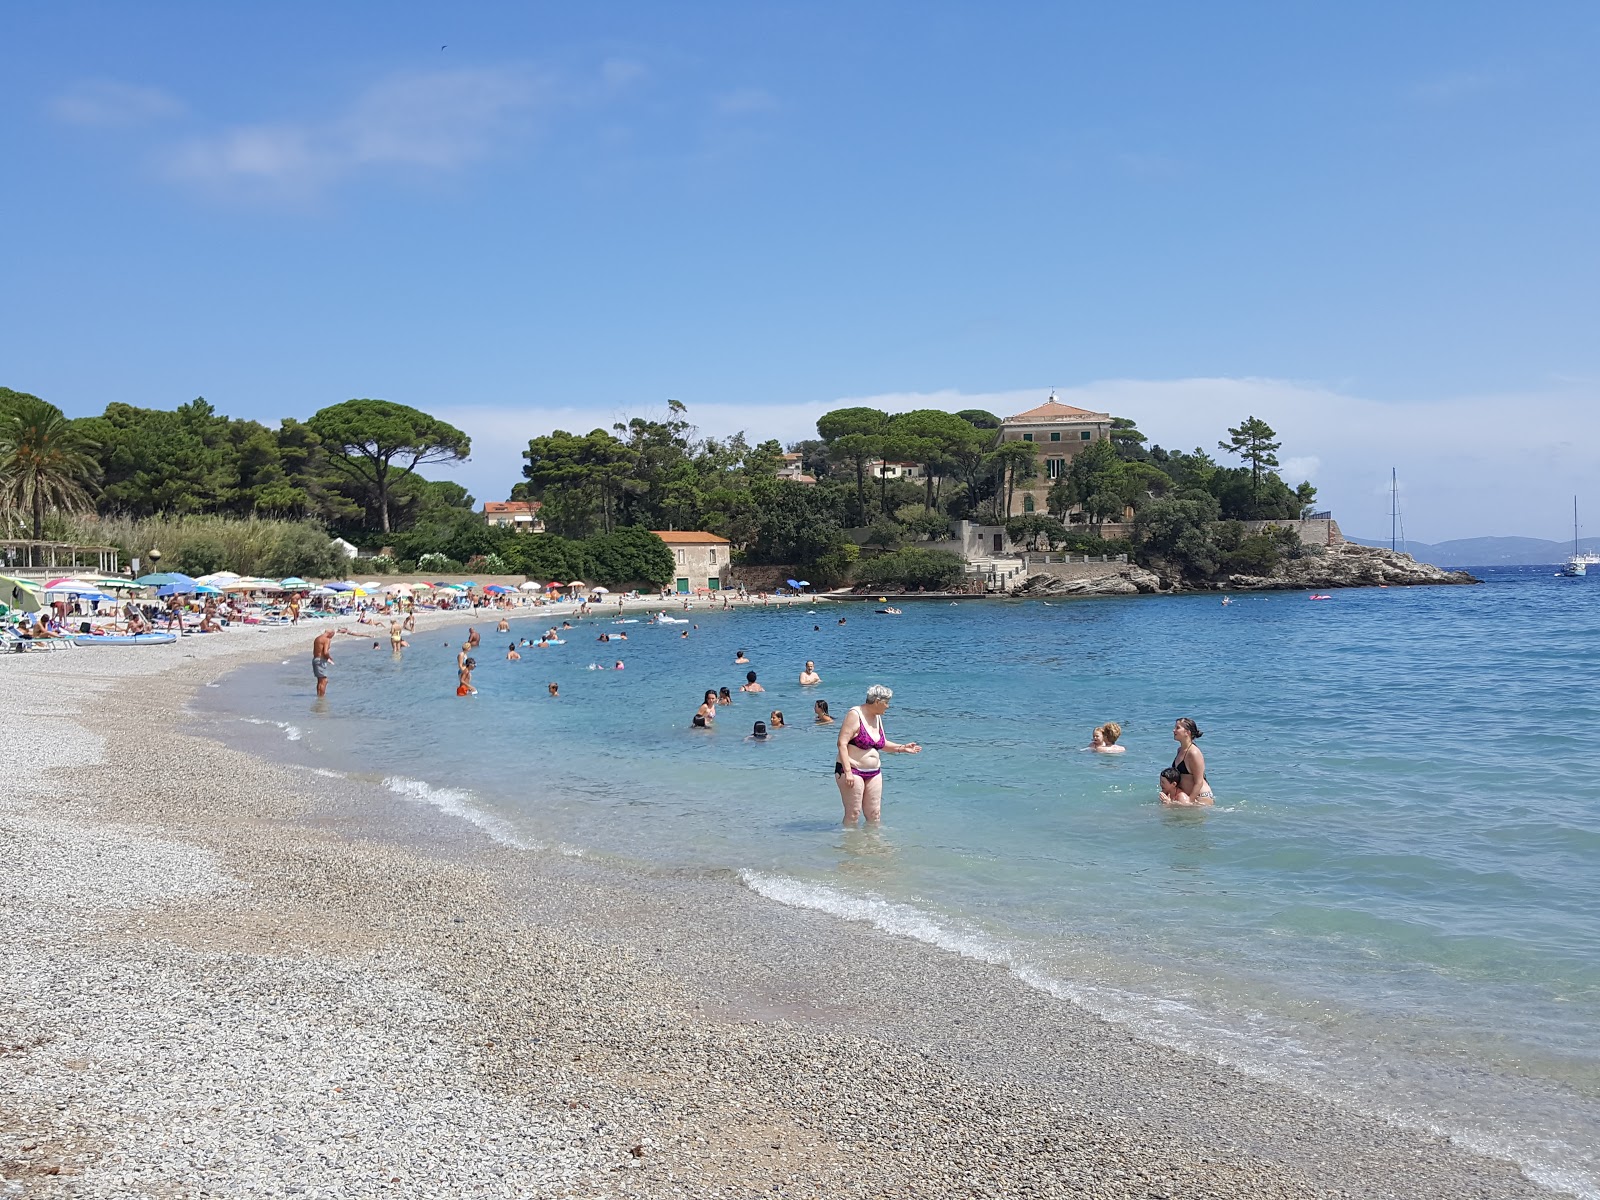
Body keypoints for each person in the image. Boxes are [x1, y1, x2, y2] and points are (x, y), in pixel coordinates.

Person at [835, 684, 921, 826]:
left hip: (874, 772)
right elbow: (842, 743)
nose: (887, 706)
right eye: (886, 703)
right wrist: (848, 772)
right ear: (877, 701)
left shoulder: (877, 717)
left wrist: (903, 748)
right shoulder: (855, 714)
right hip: (852, 770)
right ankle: (850, 846)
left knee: (874, 814)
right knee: (853, 813)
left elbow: (881, 743)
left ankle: (874, 846)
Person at [1169, 718, 1214, 803]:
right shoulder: (1180, 750)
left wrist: (1190, 801)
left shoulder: (1193, 753)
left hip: (1200, 798)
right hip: (1189, 797)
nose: (1173, 730)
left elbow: (1199, 781)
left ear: (1187, 732)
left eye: (1177, 728)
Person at [311, 629, 335, 697]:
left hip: (315, 659)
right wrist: (329, 658)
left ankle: (319, 696)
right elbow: (325, 652)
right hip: (320, 661)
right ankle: (322, 698)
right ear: (330, 634)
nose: (331, 638)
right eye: (332, 636)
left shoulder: (317, 638)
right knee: (324, 680)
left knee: (320, 680)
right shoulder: (326, 639)